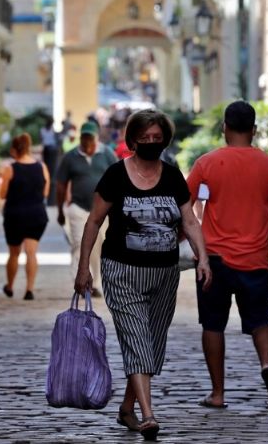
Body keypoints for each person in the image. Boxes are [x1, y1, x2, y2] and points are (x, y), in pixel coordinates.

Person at [74, 109, 212, 441]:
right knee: (137, 342)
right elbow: (94, 221)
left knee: (152, 344)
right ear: (132, 140)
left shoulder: (172, 175)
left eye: (157, 138)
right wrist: (83, 268)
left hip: (164, 274)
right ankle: (148, 415)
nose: (152, 143)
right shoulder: (115, 175)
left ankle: (127, 409)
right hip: (122, 270)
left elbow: (189, 220)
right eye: (145, 138)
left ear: (165, 139)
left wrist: (203, 257)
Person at [185, 100, 268, 410]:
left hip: (214, 259)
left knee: (213, 325)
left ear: (225, 129)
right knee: (262, 319)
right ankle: (267, 365)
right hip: (255, 259)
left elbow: (184, 205)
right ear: (254, 130)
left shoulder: (207, 163)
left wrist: (179, 238)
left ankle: (217, 393)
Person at [55, 121, 117, 297]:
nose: (88, 142)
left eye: (91, 138)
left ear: (96, 137)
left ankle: (95, 284)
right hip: (78, 207)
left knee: (97, 246)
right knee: (78, 243)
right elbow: (60, 185)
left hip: (101, 209)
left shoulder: (107, 154)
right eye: (85, 138)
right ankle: (80, 282)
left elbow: (119, 180)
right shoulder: (70, 157)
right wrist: (60, 210)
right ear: (81, 138)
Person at [0, 133, 50, 300]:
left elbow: (2, 194)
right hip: (36, 214)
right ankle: (29, 289)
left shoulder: (10, 169)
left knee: (14, 253)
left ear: (14, 150)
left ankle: (10, 286)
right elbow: (45, 192)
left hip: (15, 215)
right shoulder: (42, 167)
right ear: (28, 148)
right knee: (31, 252)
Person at [40, 116, 61, 206]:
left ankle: (52, 200)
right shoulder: (43, 130)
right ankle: (47, 198)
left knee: (52, 175)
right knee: (46, 173)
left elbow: (57, 142)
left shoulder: (54, 132)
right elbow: (42, 140)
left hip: (52, 152)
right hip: (47, 151)